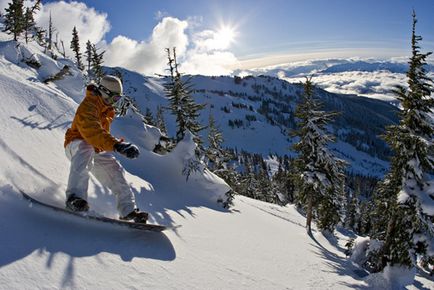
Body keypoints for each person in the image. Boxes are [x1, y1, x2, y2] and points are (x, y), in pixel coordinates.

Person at [64, 75, 148, 223]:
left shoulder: (106, 109)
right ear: (103, 91)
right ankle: (75, 198)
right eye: (114, 98)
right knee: (86, 147)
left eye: (118, 99)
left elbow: (101, 135)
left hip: (95, 147)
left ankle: (128, 210)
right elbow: (92, 132)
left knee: (115, 170)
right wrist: (116, 145)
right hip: (76, 145)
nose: (115, 103)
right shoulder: (88, 106)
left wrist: (119, 144)